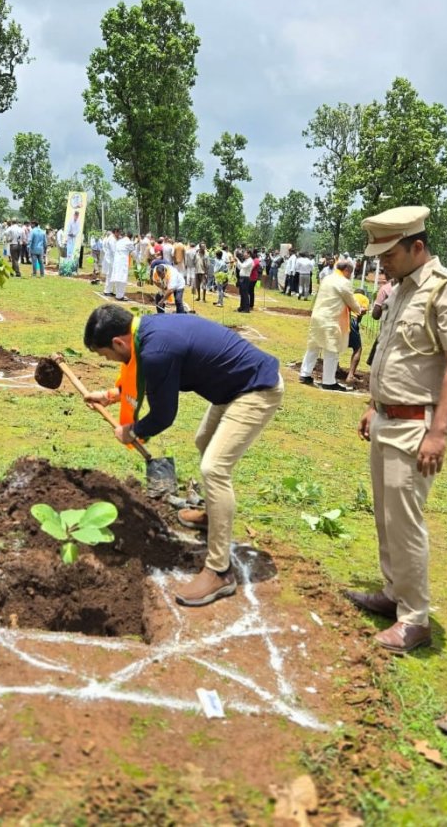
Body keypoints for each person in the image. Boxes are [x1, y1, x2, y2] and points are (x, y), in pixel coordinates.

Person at [82, 304, 283, 606]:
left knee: (215, 467)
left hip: (255, 389)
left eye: (105, 355)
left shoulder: (156, 351)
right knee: (204, 441)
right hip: (233, 389)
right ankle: (210, 515)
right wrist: (111, 395)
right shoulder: (146, 331)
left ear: (118, 343)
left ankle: (219, 571)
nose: (109, 360)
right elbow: (138, 375)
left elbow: (163, 416)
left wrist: (132, 431)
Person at [347, 206, 447, 654]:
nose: (381, 261)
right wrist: (373, 403)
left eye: (390, 253)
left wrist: (439, 434)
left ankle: (415, 618)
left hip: (415, 427)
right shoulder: (401, 288)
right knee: (385, 516)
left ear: (417, 246)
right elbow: (392, 354)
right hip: (386, 417)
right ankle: (392, 593)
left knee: (406, 522)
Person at [298, 259, 362, 391]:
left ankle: (305, 374)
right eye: (350, 273)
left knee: (313, 346)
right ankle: (328, 381)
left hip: (318, 317)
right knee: (331, 349)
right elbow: (351, 302)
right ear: (346, 270)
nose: (350, 275)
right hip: (331, 319)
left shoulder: (327, 278)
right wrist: (360, 309)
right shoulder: (344, 282)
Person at [111, 230, 135, 301]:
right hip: (122, 262)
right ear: (131, 237)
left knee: (118, 277)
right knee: (122, 279)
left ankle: (118, 294)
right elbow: (133, 252)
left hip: (117, 261)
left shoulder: (119, 241)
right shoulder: (129, 242)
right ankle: (120, 296)